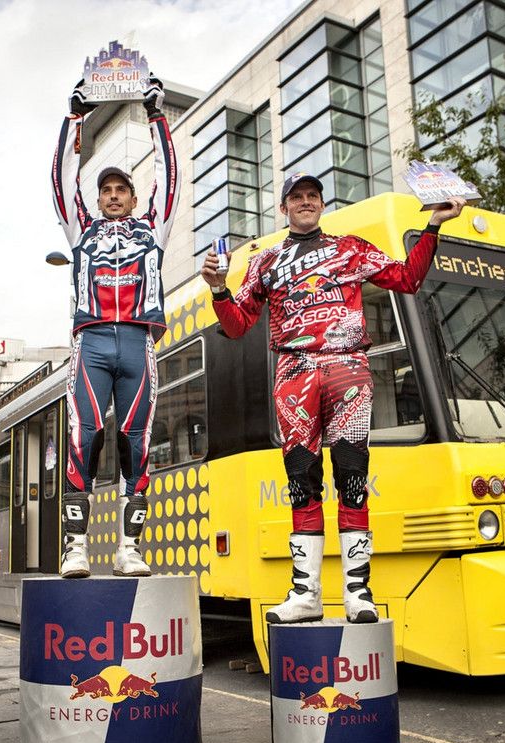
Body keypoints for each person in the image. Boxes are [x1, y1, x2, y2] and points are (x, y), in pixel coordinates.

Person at [201, 173, 464, 623]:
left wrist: (435, 225)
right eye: (296, 197)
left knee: (353, 479)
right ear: (283, 208)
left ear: (322, 203)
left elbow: (407, 278)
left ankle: (358, 594)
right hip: (294, 374)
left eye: (312, 196)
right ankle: (306, 594)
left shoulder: (352, 248)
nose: (305, 202)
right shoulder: (265, 261)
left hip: (348, 369)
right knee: (301, 482)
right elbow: (236, 325)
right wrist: (220, 289)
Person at [50, 76, 179, 579]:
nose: (112, 196)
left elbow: (170, 178)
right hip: (93, 341)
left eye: (120, 189)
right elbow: (61, 181)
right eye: (104, 190)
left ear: (132, 195)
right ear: (97, 199)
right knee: (83, 437)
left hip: (140, 341)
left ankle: (130, 548)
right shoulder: (80, 230)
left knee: (135, 441)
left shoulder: (153, 229)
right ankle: (75, 547)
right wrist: (74, 118)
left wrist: (155, 114)